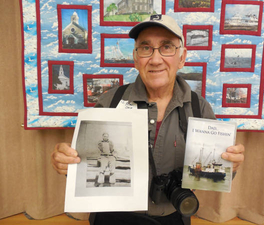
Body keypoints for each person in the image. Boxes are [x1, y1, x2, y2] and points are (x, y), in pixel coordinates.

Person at [51, 14, 245, 225]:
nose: (155, 59)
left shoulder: (199, 108)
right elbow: (85, 168)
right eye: (146, 48)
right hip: (113, 218)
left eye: (167, 47)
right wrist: (68, 164)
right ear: (136, 58)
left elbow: (210, 175)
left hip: (172, 218)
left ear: (182, 57)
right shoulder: (111, 102)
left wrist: (228, 167)